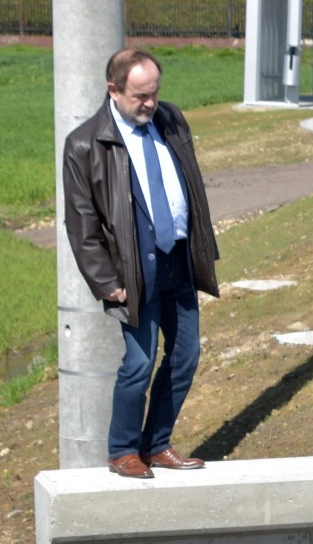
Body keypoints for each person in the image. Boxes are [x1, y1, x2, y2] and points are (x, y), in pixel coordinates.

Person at [61, 48, 220, 480]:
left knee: (186, 355)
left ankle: (157, 444)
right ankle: (123, 450)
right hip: (132, 273)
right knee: (139, 362)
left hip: (179, 262)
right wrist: (105, 281)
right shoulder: (84, 144)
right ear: (113, 90)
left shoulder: (170, 120)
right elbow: (81, 223)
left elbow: (187, 185)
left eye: (154, 93)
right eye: (140, 96)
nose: (150, 103)